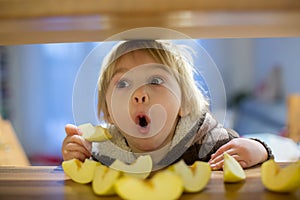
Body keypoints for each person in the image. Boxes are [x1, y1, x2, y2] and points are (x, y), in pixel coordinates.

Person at [62, 40, 273, 170]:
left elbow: (238, 149)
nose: (140, 94)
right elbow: (86, 172)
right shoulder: (105, 148)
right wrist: (76, 154)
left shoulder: (204, 139)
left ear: (183, 103)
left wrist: (258, 150)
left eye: (155, 81)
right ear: (109, 114)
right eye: (123, 83)